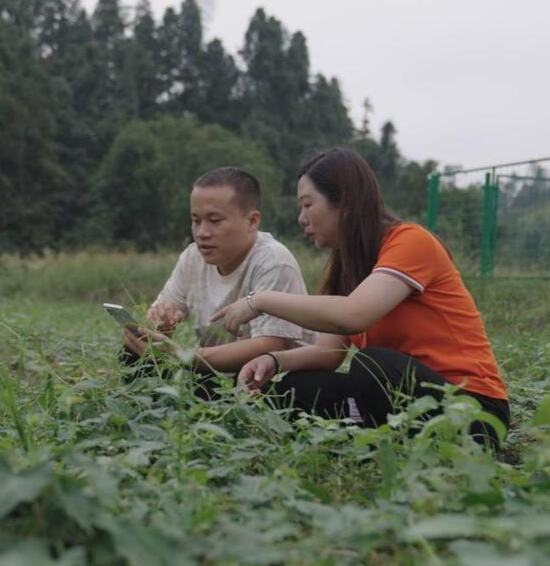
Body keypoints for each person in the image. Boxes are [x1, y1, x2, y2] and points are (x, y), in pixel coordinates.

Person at [211, 148, 510, 451]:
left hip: (475, 412)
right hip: (410, 399)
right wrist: (273, 360)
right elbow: (329, 353)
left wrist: (259, 300)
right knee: (298, 387)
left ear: (346, 203)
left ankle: (377, 441)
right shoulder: (348, 265)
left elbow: (354, 315)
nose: (301, 218)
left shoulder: (411, 242)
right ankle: (369, 438)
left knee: (372, 365)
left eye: (308, 204)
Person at [122, 167, 315, 381]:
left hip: (267, 378)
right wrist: (159, 325)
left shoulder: (273, 261)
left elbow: (271, 345)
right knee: (135, 350)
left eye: (215, 221)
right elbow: (157, 320)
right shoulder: (192, 258)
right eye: (196, 220)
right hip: (215, 373)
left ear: (252, 221)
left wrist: (185, 355)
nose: (202, 233)